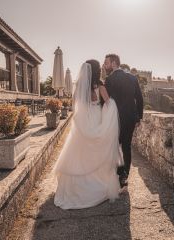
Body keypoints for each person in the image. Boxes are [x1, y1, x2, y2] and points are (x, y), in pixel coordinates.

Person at [53, 60, 123, 210]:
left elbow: (75, 104)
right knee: (96, 149)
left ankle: (76, 189)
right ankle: (97, 185)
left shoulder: (78, 86)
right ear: (97, 71)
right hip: (96, 117)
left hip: (83, 120)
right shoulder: (100, 85)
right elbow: (109, 103)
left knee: (79, 150)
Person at [104, 54, 144, 188]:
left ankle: (119, 173)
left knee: (115, 146)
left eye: (107, 63)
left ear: (114, 63)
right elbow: (139, 99)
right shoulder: (132, 78)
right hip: (130, 118)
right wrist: (139, 117)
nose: (105, 65)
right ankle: (125, 175)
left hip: (114, 118)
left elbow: (105, 101)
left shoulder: (109, 80)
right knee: (126, 146)